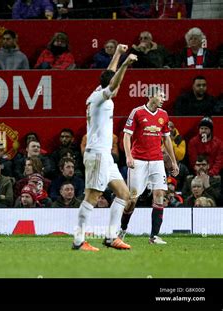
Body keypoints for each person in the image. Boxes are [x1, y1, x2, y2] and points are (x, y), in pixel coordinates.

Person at [72, 44, 137, 252]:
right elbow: (112, 81)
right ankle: (78, 241)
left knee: (124, 194)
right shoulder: (101, 97)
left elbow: (109, 76)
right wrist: (125, 65)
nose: (117, 88)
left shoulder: (96, 93)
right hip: (97, 154)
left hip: (105, 156)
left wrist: (117, 54)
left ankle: (111, 237)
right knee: (92, 196)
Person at [119, 86, 179, 245]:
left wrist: (173, 161)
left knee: (159, 194)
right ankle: (122, 230)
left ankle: (154, 236)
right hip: (138, 161)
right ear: (151, 96)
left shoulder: (164, 115)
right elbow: (126, 136)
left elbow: (166, 140)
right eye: (161, 95)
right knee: (132, 199)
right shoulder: (137, 112)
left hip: (157, 161)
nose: (163, 99)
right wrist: (128, 156)